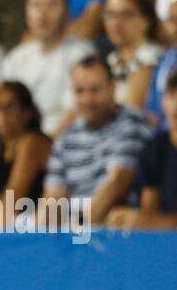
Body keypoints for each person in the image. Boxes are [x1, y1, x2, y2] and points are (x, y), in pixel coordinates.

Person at [43, 56, 154, 224]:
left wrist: (77, 232)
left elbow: (116, 185)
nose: (87, 99)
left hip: (113, 230)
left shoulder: (132, 124)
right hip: (73, 229)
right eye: (80, 91)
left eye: (95, 90)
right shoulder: (66, 137)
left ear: (112, 88)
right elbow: (53, 197)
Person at [109, 68, 177, 229]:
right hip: (163, 239)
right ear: (162, 101)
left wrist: (164, 222)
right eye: (171, 96)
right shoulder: (154, 147)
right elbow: (149, 211)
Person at [1, 0, 94, 136]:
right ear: (26, 12)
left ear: (67, 11)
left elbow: (75, 114)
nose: (42, 14)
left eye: (52, 5)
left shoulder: (81, 55)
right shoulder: (15, 58)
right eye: (36, 5)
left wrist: (44, 147)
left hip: (62, 142)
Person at [0, 81, 51, 222]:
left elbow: (14, 197)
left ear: (27, 113)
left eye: (9, 106)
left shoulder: (33, 142)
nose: (2, 114)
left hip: (37, 225)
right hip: (6, 223)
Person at [103, 0, 163, 110]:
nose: (115, 23)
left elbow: (133, 110)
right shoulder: (111, 60)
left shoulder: (153, 58)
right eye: (110, 14)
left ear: (146, 21)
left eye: (126, 15)